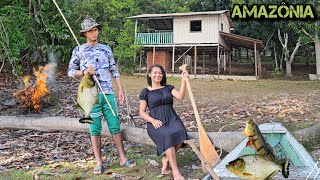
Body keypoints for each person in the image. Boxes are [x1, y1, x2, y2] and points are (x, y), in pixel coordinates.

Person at [68, 17, 136, 175]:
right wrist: (83, 72)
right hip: (90, 94)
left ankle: (123, 158)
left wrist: (120, 90)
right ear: (84, 33)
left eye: (96, 29)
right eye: (91, 30)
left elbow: (114, 70)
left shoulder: (106, 49)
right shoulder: (79, 50)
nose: (94, 33)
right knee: (95, 128)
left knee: (114, 125)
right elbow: (70, 72)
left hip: (108, 93)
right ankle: (99, 162)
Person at [139, 64, 188, 180]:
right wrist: (153, 120)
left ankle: (166, 158)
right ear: (149, 75)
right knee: (168, 136)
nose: (158, 75)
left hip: (172, 118)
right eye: (155, 72)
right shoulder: (145, 92)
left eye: (160, 72)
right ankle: (176, 172)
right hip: (156, 121)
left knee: (181, 133)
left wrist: (184, 81)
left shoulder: (168, 88)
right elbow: (141, 112)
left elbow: (180, 96)